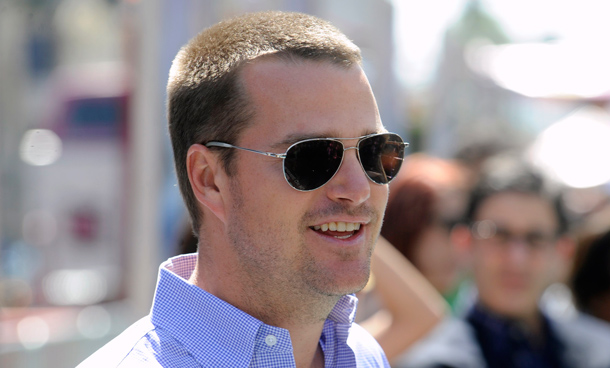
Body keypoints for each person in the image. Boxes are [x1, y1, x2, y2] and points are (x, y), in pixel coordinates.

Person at [78, 11, 410, 367]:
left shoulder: (362, 355)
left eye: (375, 151)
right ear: (209, 178)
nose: (358, 188)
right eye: (312, 158)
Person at [397, 155, 610, 368]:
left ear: (563, 251)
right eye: (498, 235)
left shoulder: (600, 354)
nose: (517, 259)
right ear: (465, 242)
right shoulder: (435, 362)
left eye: (536, 239)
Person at [380, 153, 470, 312]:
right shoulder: (362, 308)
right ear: (409, 223)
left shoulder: (469, 302)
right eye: (450, 224)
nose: (462, 238)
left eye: (467, 223)